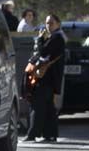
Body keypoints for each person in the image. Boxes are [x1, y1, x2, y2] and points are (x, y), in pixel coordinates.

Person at [25, 14, 65, 143]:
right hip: (49, 78)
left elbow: (43, 52)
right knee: (48, 107)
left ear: (58, 24)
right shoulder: (55, 37)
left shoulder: (57, 38)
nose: (48, 26)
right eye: (47, 23)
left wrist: (40, 40)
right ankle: (50, 134)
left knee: (38, 105)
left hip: (46, 78)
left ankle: (33, 133)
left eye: (51, 23)